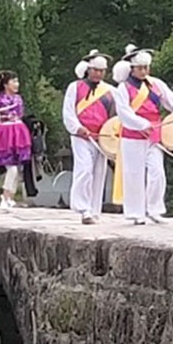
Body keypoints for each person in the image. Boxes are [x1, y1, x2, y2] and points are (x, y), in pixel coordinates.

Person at [111, 44, 173, 224]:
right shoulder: (123, 88)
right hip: (132, 135)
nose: (144, 71)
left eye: (146, 67)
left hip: (154, 134)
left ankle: (155, 209)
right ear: (131, 69)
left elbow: (171, 100)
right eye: (140, 68)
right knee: (133, 173)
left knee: (157, 172)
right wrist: (142, 124)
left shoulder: (156, 84)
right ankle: (135, 212)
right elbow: (124, 112)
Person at [62, 50, 115, 224]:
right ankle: (83, 208)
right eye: (95, 70)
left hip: (102, 136)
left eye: (102, 71)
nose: (98, 74)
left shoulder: (110, 91)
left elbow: (116, 114)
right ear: (88, 69)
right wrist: (77, 127)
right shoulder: (75, 87)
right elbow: (68, 111)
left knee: (99, 173)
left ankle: (94, 209)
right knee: (84, 169)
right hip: (81, 135)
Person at [0, 70, 32, 210]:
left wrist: (13, 116)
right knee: (11, 167)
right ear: (6, 84)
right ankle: (5, 195)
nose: (16, 84)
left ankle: (10, 196)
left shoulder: (18, 98)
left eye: (17, 81)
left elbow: (20, 113)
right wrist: (1, 114)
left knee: (17, 166)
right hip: (4, 132)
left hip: (18, 131)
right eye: (13, 81)